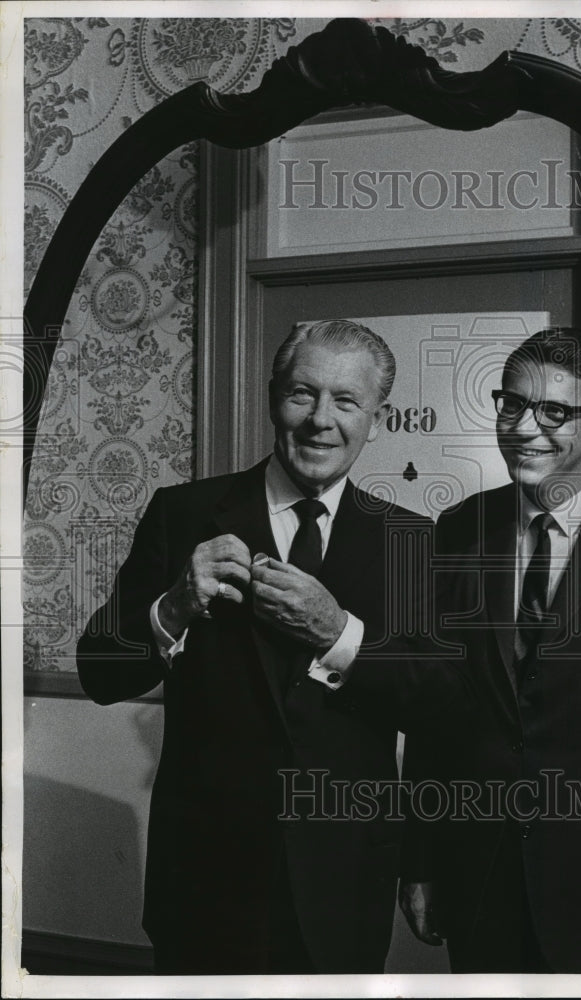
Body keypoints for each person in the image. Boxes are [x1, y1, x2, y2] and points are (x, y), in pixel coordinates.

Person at [77, 319, 453, 975]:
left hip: (344, 880)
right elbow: (99, 673)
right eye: (302, 394)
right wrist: (173, 605)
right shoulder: (183, 512)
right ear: (273, 397)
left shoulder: (412, 540)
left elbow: (441, 703)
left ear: (378, 418)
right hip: (203, 883)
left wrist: (338, 635)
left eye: (345, 401)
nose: (320, 421)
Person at [398, 327, 581, 975]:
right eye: (512, 404)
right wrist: (421, 863)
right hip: (476, 881)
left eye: (555, 412)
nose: (524, 427)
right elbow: (434, 715)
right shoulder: (459, 530)